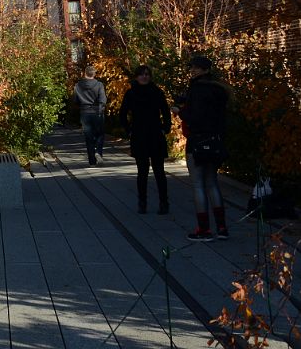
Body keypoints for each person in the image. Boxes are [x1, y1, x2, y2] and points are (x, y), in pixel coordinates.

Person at [177, 55, 231, 242]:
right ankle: (222, 227)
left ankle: (204, 229)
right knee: (212, 183)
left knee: (198, 185)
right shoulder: (220, 90)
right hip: (216, 141)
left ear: (205, 70)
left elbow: (194, 118)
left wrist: (179, 111)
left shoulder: (196, 90)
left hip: (198, 141)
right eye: (192, 67)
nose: (192, 70)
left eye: (196, 68)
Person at [119, 65, 171, 214]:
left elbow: (165, 111)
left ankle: (164, 202)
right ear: (136, 76)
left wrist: (165, 127)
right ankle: (142, 202)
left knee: (159, 171)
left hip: (155, 134)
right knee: (142, 171)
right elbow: (122, 114)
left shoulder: (157, 92)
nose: (145, 77)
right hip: (139, 135)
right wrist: (128, 130)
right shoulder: (131, 93)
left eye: (147, 74)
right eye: (141, 74)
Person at [74, 65, 107, 165]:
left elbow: (75, 100)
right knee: (100, 134)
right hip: (97, 111)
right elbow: (102, 99)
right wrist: (101, 110)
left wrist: (81, 105)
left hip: (85, 113)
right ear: (94, 74)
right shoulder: (99, 85)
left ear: (85, 73)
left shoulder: (78, 85)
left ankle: (92, 160)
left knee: (89, 137)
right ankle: (98, 152)